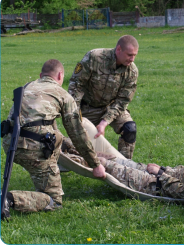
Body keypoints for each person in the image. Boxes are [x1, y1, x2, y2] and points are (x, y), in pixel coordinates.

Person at [1, 59, 106, 218]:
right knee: (53, 201)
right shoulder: (62, 95)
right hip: (33, 150)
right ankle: (8, 199)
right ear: (60, 75)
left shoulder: (27, 87)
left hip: (10, 144)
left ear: (41, 75)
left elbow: (45, 123)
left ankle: (43, 174)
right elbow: (77, 133)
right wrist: (95, 164)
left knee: (50, 143)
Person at [68, 35, 139, 159]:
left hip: (110, 107)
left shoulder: (132, 71)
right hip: (87, 108)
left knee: (130, 129)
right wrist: (75, 116)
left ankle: (126, 168)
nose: (132, 59)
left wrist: (104, 122)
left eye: (134, 55)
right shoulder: (94, 57)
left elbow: (122, 101)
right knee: (76, 142)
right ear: (118, 50)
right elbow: (76, 86)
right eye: (129, 55)